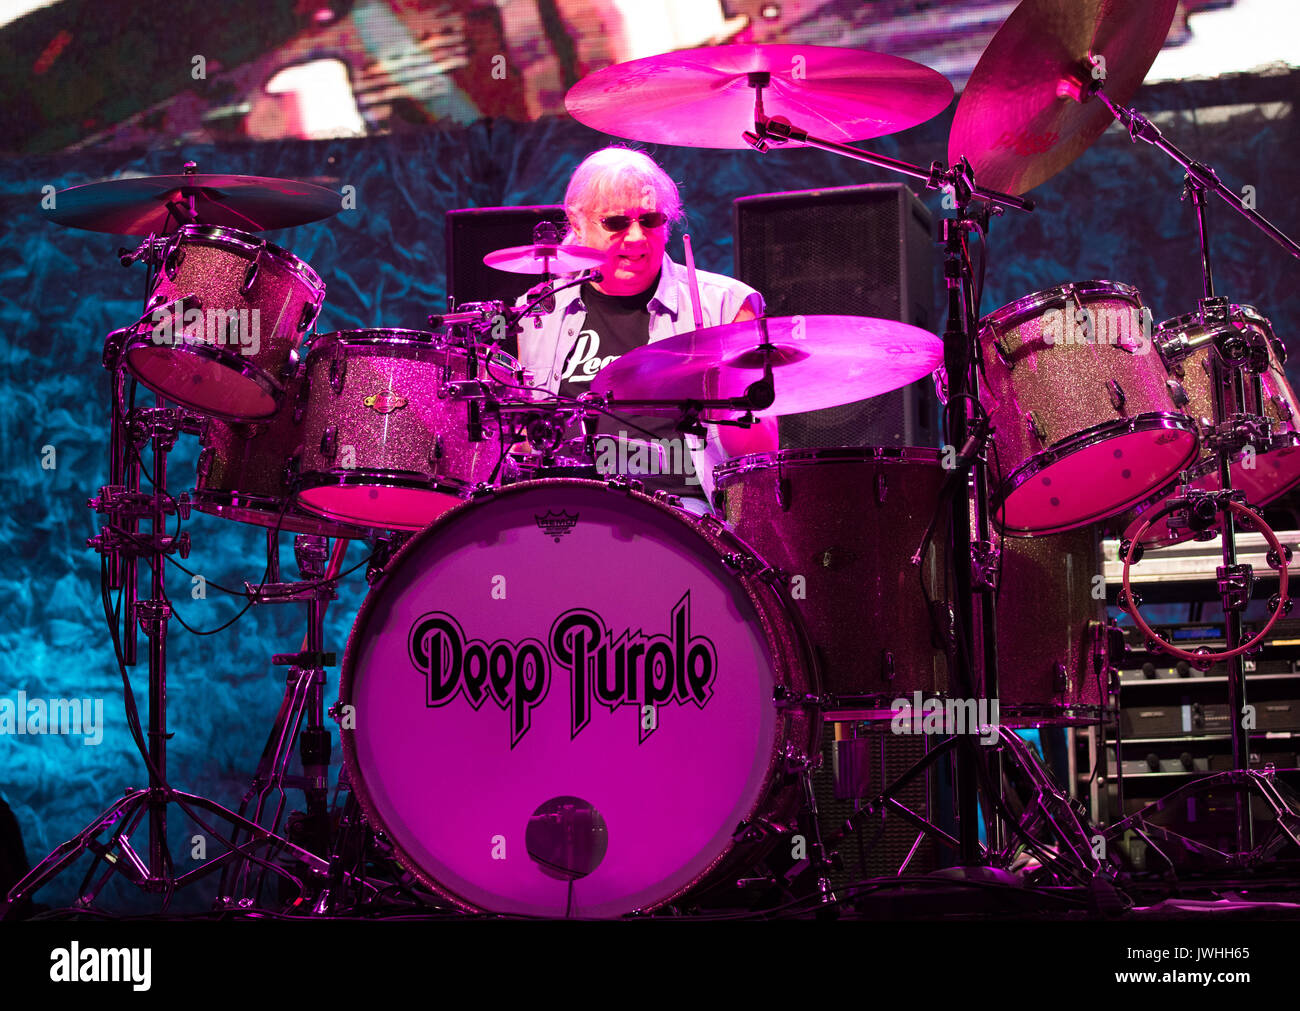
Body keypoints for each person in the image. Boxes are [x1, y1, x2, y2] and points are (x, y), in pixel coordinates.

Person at [515, 146, 777, 512]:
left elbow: (762, 453)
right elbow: (522, 445)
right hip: (564, 512)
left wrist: (719, 391)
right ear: (576, 222)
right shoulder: (538, 311)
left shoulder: (727, 306)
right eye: (616, 223)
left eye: (650, 220)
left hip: (680, 515)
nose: (637, 237)